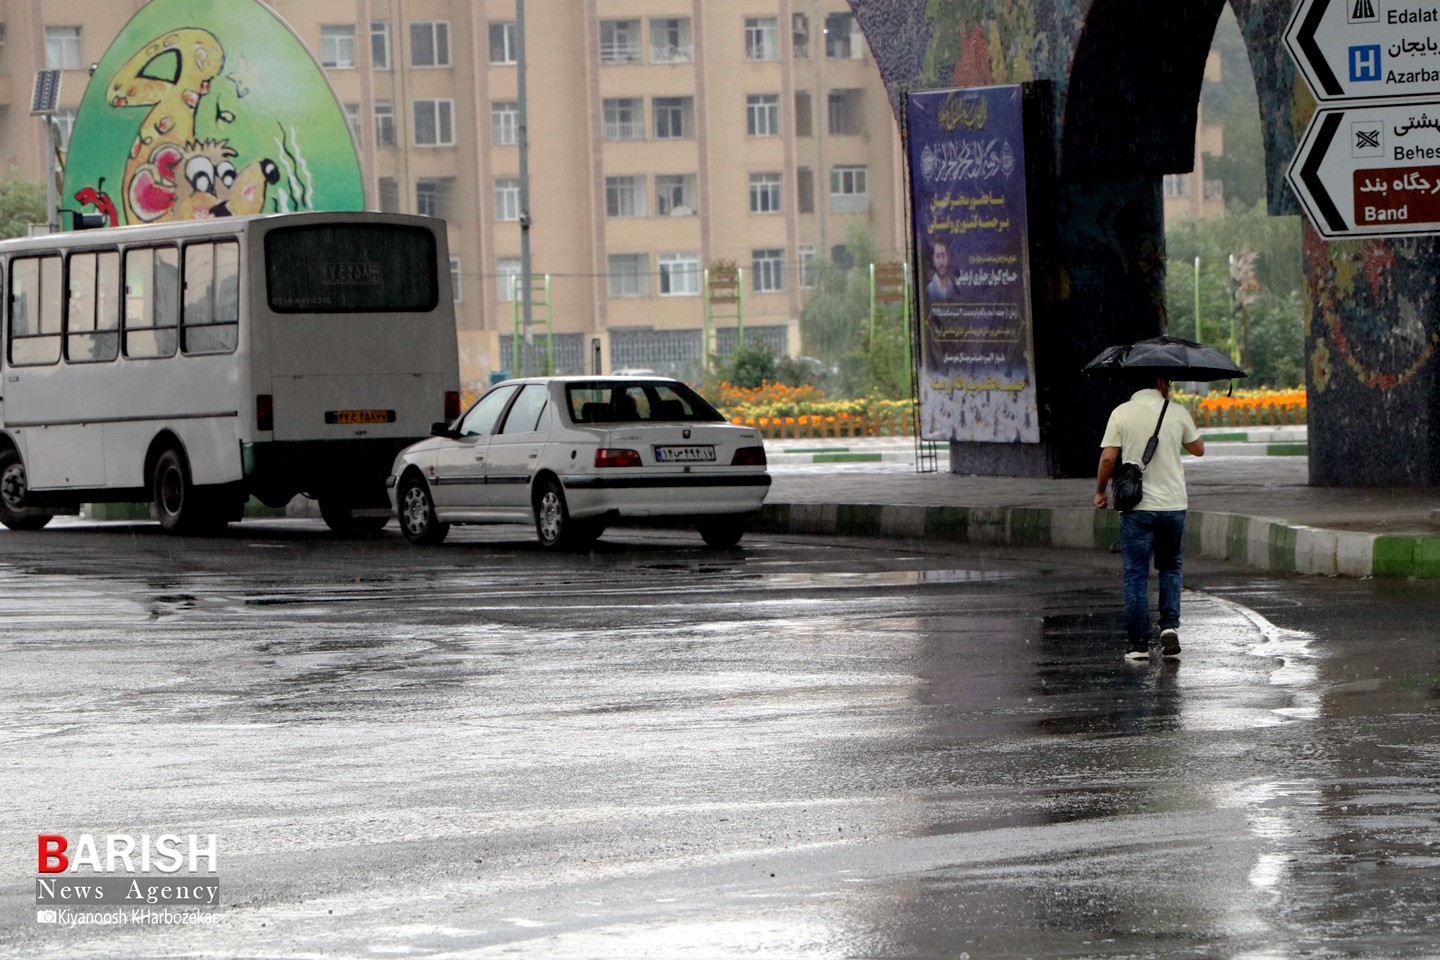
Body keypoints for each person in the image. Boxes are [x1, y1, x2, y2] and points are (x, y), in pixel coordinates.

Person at [1093, 375, 1205, 661]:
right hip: (1173, 506)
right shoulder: (1177, 411)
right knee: (1170, 567)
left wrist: (1100, 491)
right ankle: (1168, 628)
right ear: (1161, 382)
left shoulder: (1121, 412)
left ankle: (1139, 645)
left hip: (1136, 507)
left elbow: (1107, 459)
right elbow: (1198, 449)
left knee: (1136, 574)